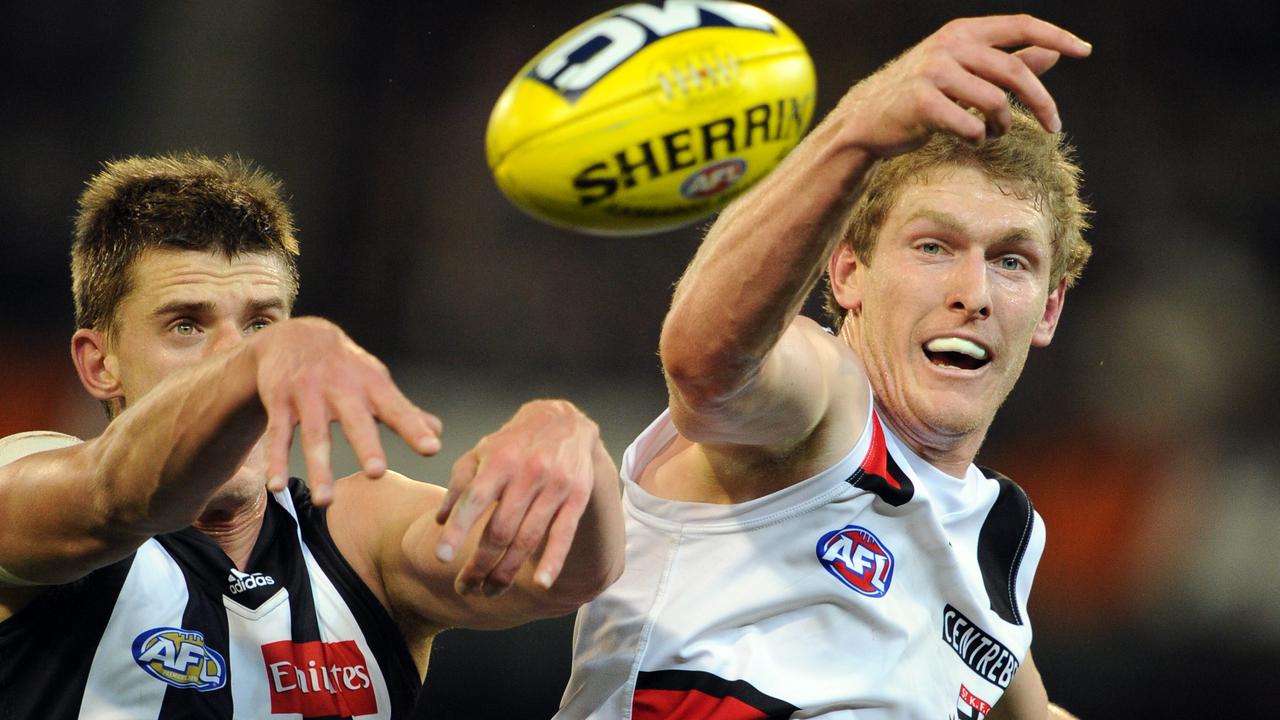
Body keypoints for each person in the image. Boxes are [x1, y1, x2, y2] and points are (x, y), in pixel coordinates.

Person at [558, 14, 1092, 720]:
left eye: (1011, 260)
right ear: (846, 275)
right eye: (933, 247)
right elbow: (706, 366)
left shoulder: (995, 541)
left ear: (1049, 310)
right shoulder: (826, 405)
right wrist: (856, 131)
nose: (975, 293)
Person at [0, 153, 625, 719]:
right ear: (98, 363)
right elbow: (121, 493)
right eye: (187, 325)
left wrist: (573, 441)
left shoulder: (359, 537)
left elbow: (565, 577)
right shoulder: (28, 486)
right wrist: (253, 363)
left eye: (261, 324)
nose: (234, 356)